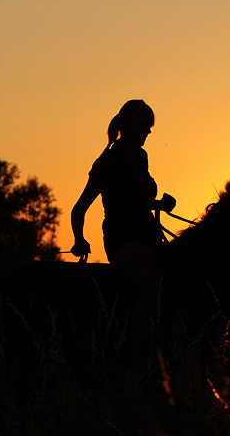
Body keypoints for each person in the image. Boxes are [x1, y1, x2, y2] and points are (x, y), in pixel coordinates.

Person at [70, 99, 175, 371]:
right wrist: (79, 239)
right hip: (123, 239)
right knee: (150, 288)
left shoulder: (141, 157)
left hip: (148, 234)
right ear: (127, 126)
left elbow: (138, 199)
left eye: (149, 127)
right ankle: (135, 356)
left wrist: (159, 205)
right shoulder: (107, 162)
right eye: (144, 125)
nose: (148, 132)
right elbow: (79, 208)